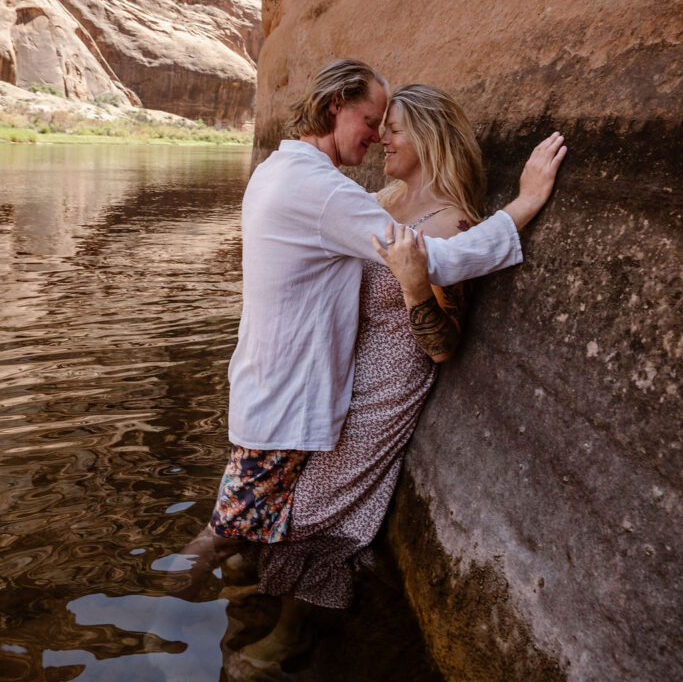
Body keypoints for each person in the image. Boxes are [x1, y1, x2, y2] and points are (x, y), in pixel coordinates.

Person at [183, 59, 564, 585]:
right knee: (229, 528)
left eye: (390, 126)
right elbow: (441, 260)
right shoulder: (325, 192)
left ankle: (181, 605)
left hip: (282, 386)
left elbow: (432, 272)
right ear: (336, 105)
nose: (376, 136)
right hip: (286, 393)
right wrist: (523, 204)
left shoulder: (282, 170)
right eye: (371, 119)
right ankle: (158, 608)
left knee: (242, 523)